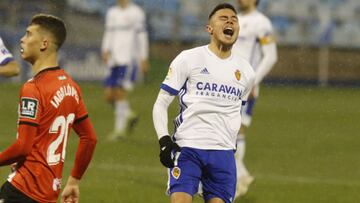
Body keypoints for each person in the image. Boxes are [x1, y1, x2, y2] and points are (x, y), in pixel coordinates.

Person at [152, 3, 255, 203]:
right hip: (188, 148)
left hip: (223, 154)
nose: (230, 21)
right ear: (209, 29)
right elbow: (161, 103)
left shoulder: (246, 72)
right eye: (223, 18)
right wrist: (164, 141)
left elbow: (236, 113)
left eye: (234, 19)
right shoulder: (188, 59)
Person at [0, 14, 97, 203]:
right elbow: (90, 138)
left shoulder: (33, 88)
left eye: (28, 34)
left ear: (44, 43)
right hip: (48, 195)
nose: (22, 39)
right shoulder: (71, 87)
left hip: (22, 189)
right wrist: (74, 181)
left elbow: (23, 147)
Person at [231, 0, 278, 198]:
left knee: (235, 130)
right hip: (225, 85)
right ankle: (240, 175)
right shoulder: (232, 19)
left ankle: (236, 179)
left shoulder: (262, 23)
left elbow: (271, 56)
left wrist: (253, 81)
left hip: (245, 86)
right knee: (226, 132)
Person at [101, 0, 149, 140]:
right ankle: (129, 114)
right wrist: (105, 49)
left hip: (128, 59)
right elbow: (109, 33)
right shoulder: (112, 12)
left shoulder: (137, 13)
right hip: (113, 59)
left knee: (119, 92)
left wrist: (143, 58)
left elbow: (142, 36)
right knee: (109, 96)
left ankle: (119, 131)